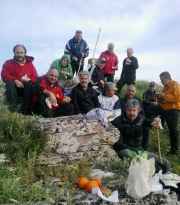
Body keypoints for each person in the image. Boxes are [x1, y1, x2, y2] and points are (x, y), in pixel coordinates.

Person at [111, 99, 171, 174]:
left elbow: (148, 121)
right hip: (126, 150)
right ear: (125, 110)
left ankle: (151, 170)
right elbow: (117, 144)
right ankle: (146, 169)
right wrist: (134, 151)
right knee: (133, 159)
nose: (131, 113)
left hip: (140, 151)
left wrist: (155, 121)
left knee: (166, 164)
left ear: (138, 111)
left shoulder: (140, 118)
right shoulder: (117, 122)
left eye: (134, 110)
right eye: (129, 110)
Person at [147, 72, 180, 155]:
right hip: (164, 107)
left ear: (168, 78)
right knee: (149, 109)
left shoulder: (175, 85)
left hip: (173, 109)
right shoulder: (165, 87)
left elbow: (177, 98)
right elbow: (162, 100)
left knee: (173, 130)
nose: (161, 81)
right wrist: (158, 96)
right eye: (160, 80)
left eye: (162, 80)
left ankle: (175, 150)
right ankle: (151, 123)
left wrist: (164, 96)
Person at [1, 44, 38, 114]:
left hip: (25, 89)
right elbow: (4, 75)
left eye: (21, 53)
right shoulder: (8, 63)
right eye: (17, 52)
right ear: (14, 53)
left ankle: (25, 111)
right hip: (12, 89)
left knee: (29, 84)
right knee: (9, 83)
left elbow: (35, 78)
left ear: (24, 54)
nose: (19, 54)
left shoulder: (30, 65)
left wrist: (26, 80)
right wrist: (15, 80)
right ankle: (13, 109)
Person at [142, 82, 158, 150]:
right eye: (151, 86)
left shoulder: (157, 94)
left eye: (153, 86)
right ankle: (148, 123)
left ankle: (160, 123)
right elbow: (144, 101)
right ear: (149, 87)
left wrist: (157, 103)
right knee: (148, 109)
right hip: (147, 108)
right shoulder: (146, 93)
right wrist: (152, 103)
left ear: (155, 87)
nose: (152, 88)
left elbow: (160, 102)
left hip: (155, 109)